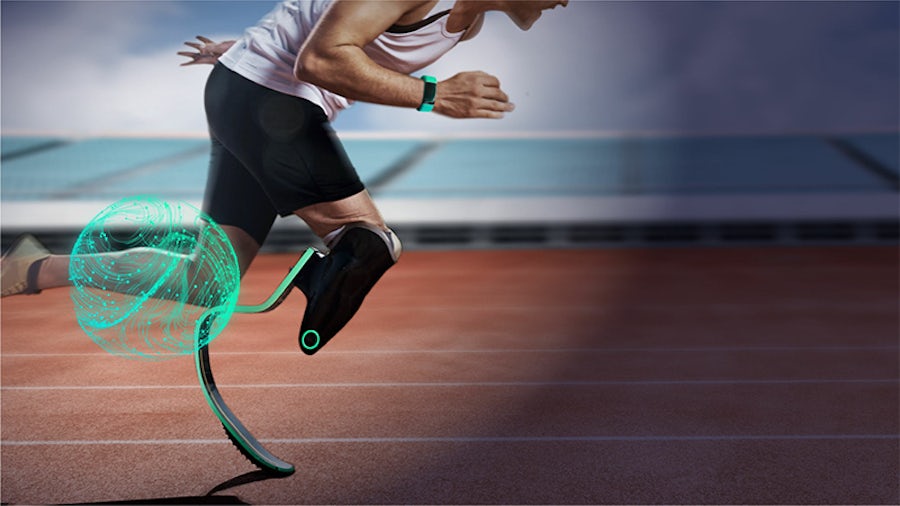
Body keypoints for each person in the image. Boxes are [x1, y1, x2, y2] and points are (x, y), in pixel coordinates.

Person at [1, 0, 568, 354]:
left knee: (207, 281)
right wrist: (432, 97)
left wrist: (242, 50)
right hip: (268, 99)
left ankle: (28, 269)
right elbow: (320, 60)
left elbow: (323, 30)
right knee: (367, 242)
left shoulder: (461, 28)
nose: (565, 2)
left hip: (256, 94)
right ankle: (321, 277)